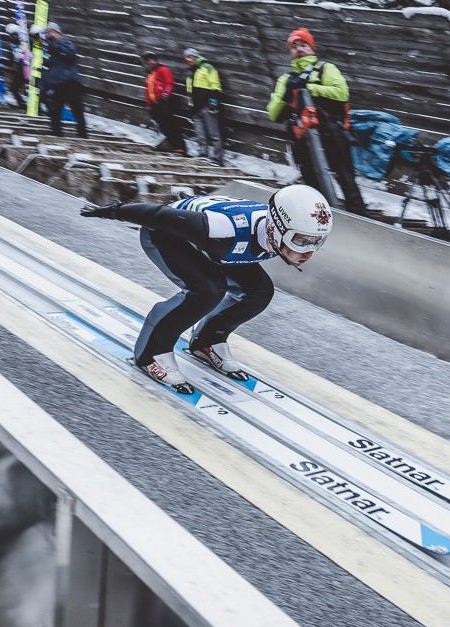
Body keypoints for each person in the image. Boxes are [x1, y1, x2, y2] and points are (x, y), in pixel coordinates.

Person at [79, 185, 334, 393]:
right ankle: (151, 353)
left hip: (216, 245)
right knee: (208, 290)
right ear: (275, 229)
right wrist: (116, 210)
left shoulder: (270, 230)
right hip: (166, 235)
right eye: (302, 241)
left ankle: (207, 341)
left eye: (317, 242)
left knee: (259, 291)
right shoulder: (224, 228)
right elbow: (159, 216)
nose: (308, 252)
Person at [266, 28, 368, 216]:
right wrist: (287, 93)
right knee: (312, 186)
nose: (299, 49)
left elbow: (342, 93)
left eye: (303, 45)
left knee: (347, 182)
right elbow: (273, 114)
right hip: (303, 141)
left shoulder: (325, 68)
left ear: (312, 48)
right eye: (294, 47)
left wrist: (309, 87)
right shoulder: (286, 79)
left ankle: (361, 221)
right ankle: (322, 220)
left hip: (333, 135)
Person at [36, 22, 88, 138]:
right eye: (49, 33)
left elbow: (71, 57)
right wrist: (44, 87)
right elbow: (46, 68)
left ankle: (83, 134)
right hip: (56, 85)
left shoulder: (67, 44)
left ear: (59, 33)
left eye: (53, 32)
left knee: (77, 110)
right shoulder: (47, 50)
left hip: (70, 83)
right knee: (54, 110)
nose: (51, 35)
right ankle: (56, 132)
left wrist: (55, 45)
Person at [183, 47, 224, 166]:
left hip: (207, 106)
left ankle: (217, 159)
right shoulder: (191, 73)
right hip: (196, 109)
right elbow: (190, 93)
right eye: (186, 57)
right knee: (200, 134)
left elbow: (216, 85)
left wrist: (214, 101)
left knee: (214, 134)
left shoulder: (207, 67)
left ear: (196, 57)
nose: (187, 59)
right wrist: (191, 108)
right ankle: (203, 154)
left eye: (189, 57)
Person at [142, 51, 184, 153]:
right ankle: (170, 144)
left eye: (153, 60)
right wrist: (148, 104)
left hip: (163, 101)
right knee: (163, 125)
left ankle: (180, 146)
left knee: (170, 123)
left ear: (156, 60)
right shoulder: (150, 74)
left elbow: (170, 83)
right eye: (148, 60)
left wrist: (166, 95)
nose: (151, 62)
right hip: (154, 104)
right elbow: (148, 90)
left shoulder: (163, 69)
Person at [4, 23, 29, 108]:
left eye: (15, 35)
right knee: (14, 88)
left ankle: (37, 106)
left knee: (29, 88)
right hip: (20, 68)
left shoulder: (27, 43)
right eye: (12, 35)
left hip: (29, 68)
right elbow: (10, 61)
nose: (13, 37)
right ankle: (22, 104)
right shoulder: (12, 47)